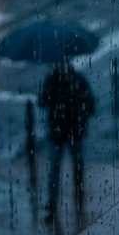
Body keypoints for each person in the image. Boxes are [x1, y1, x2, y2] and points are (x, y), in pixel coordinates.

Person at [38, 60, 95, 223]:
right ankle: (55, 200)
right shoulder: (63, 80)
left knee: (71, 163)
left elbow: (89, 103)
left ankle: (74, 193)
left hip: (68, 130)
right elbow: (42, 102)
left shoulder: (73, 80)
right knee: (59, 166)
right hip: (62, 130)